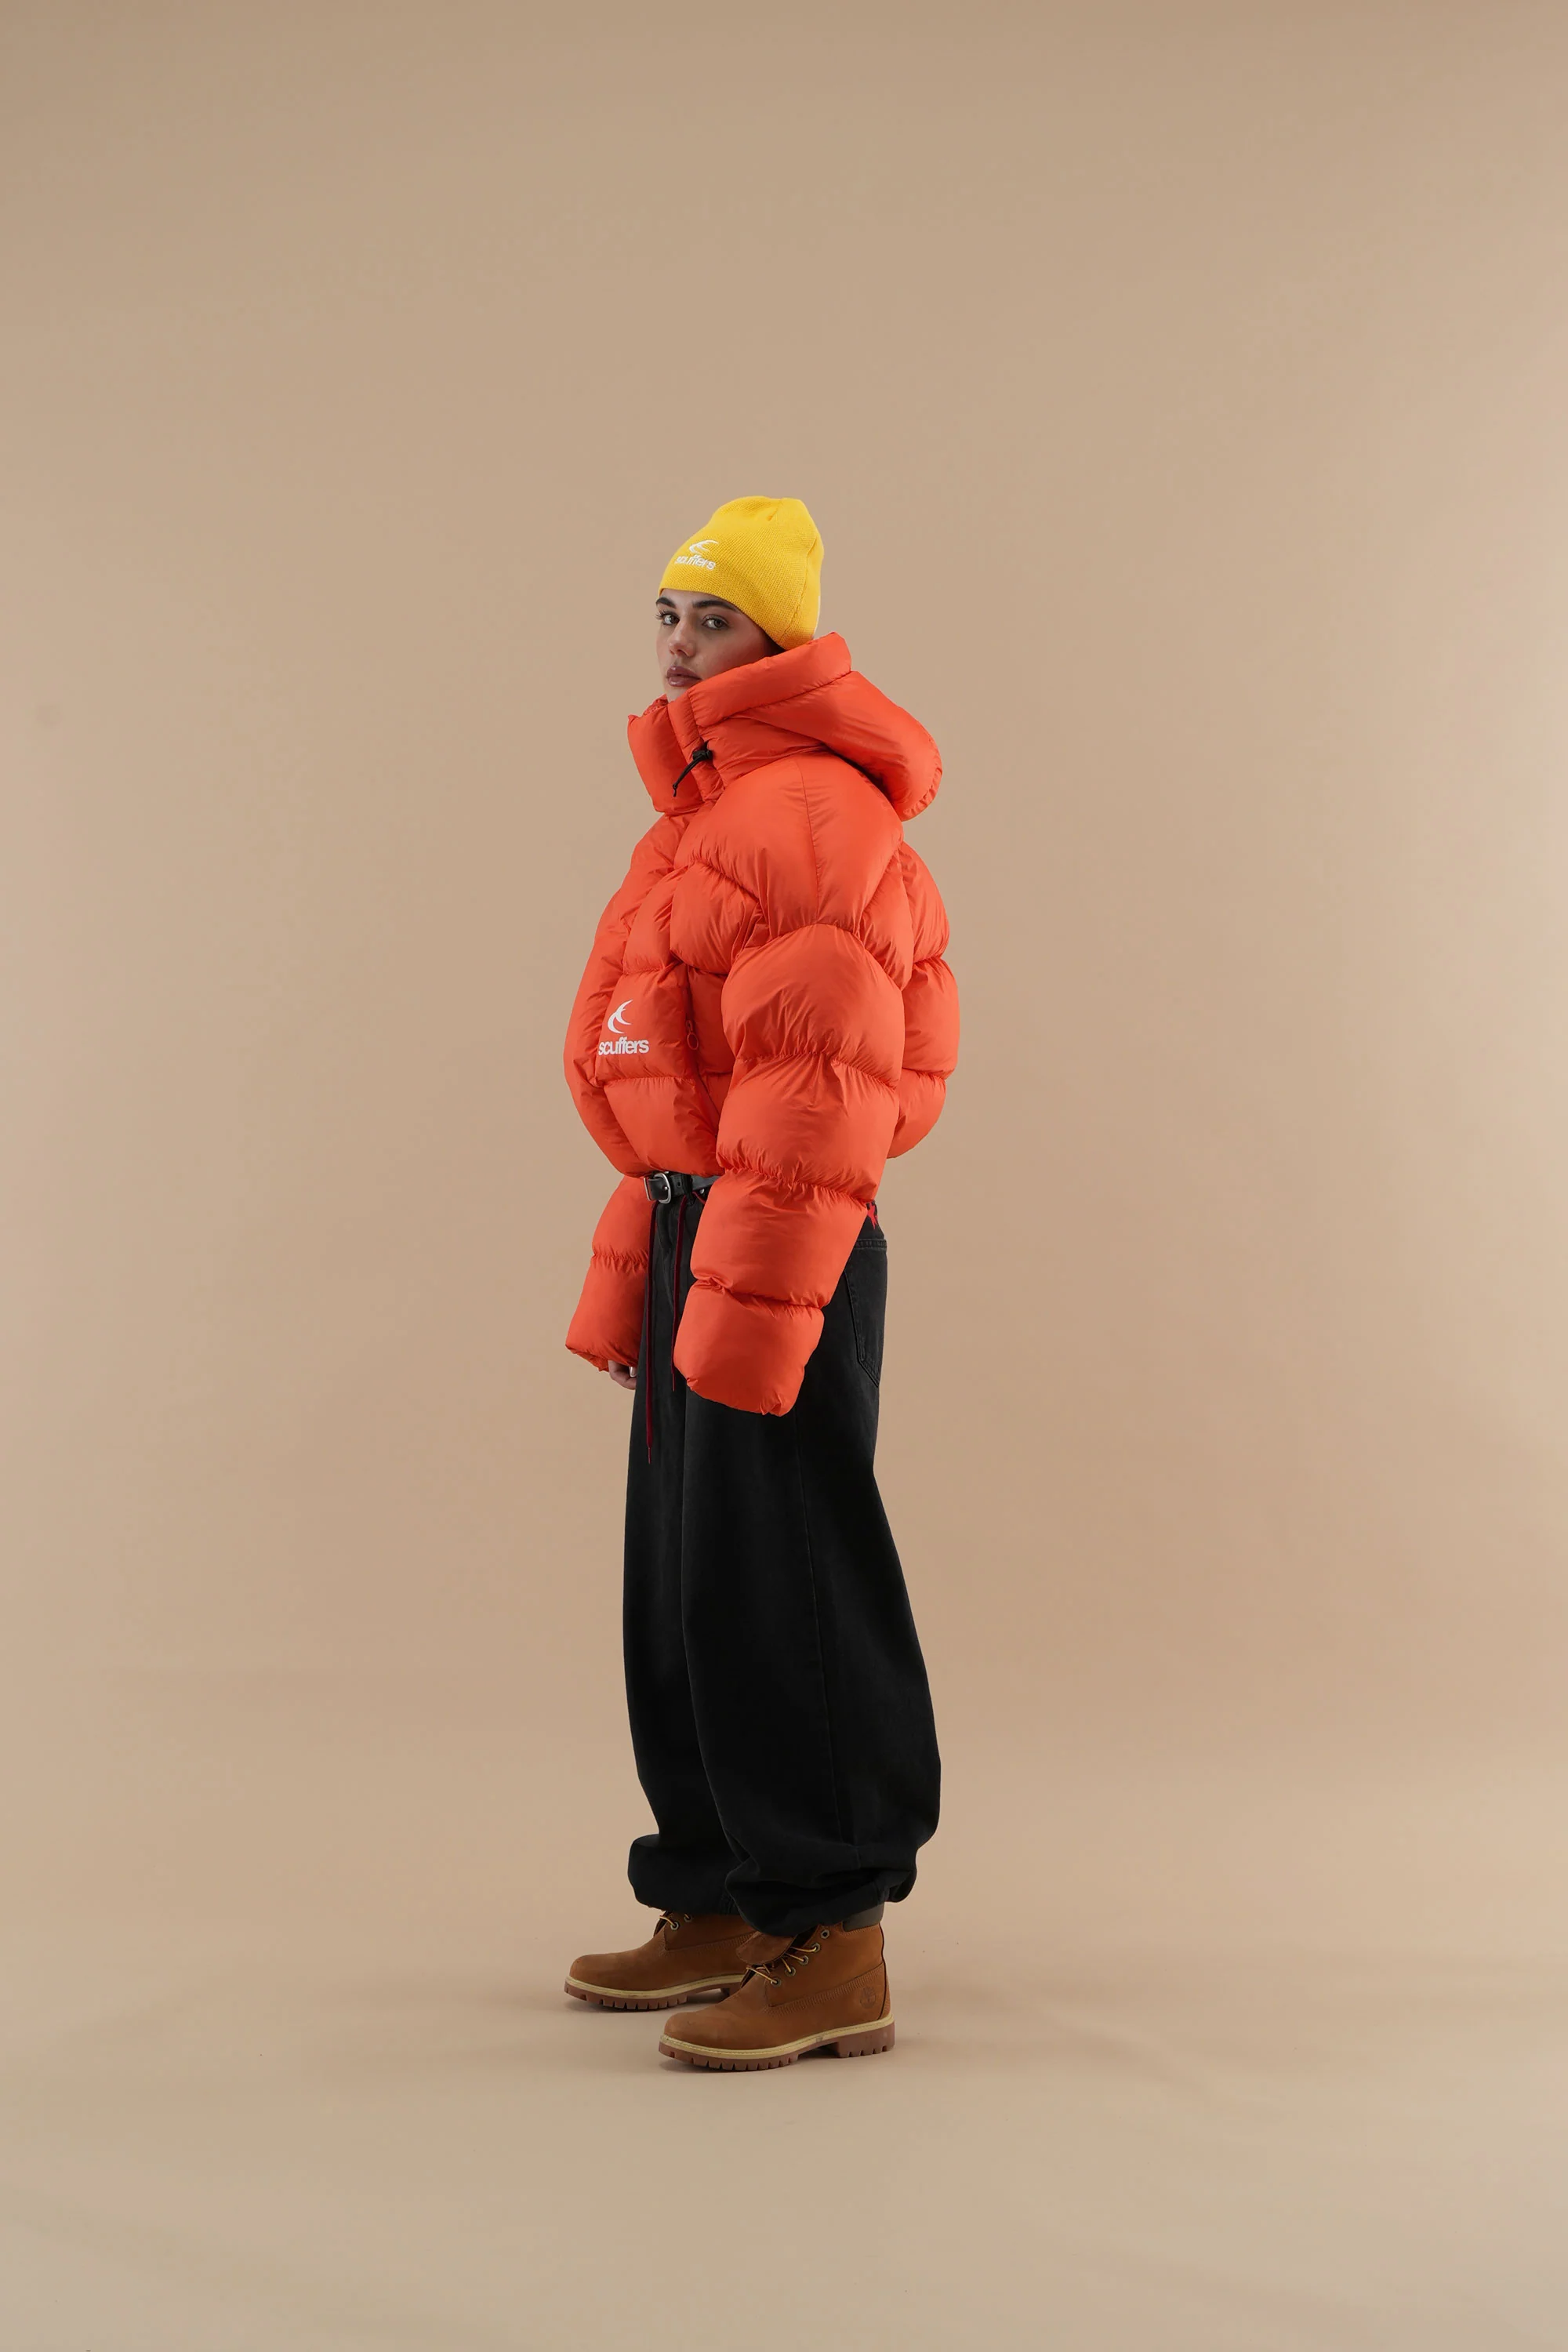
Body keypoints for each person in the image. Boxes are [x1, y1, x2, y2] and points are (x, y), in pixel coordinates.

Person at [560, 495, 958, 2071]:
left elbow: (815, 1086)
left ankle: (834, 1931)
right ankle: (725, 1895)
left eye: (711, 618)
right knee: (689, 1582)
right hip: (697, 1225)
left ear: (780, 637)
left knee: (784, 1574)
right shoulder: (709, 811)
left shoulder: (803, 815)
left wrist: (741, 1287)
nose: (677, 643)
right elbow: (677, 1072)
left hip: (778, 1233)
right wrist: (642, 1268)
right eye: (666, 613)